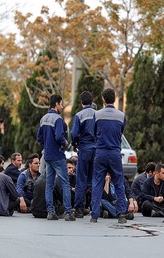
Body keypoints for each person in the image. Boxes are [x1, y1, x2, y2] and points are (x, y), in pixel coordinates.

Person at [90, 88, 127, 224]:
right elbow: (121, 132)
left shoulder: (97, 114)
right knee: (119, 183)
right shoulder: (121, 116)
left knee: (97, 183)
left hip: (100, 152)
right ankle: (121, 214)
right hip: (115, 152)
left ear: (103, 100)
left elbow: (94, 132)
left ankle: (94, 215)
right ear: (115, 99)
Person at [37, 94, 75, 221]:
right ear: (57, 104)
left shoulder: (43, 119)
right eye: (61, 104)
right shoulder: (58, 119)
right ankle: (68, 212)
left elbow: (39, 138)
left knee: (49, 184)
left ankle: (50, 212)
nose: (62, 106)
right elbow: (59, 136)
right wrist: (65, 143)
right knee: (65, 183)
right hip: (58, 156)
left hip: (47, 156)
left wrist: (48, 144)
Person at [70, 91, 96, 218]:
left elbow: (74, 134)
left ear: (81, 102)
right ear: (92, 102)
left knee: (81, 179)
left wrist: (74, 143)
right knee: (94, 179)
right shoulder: (98, 114)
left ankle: (79, 208)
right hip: (96, 150)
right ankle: (95, 207)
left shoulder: (79, 115)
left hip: (84, 148)